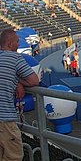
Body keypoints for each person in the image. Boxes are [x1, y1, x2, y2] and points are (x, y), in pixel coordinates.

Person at [0, 29, 39, 161]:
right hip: (4, 120)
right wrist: (18, 81)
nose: (18, 45)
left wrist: (15, 81)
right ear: (10, 44)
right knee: (14, 157)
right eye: (17, 42)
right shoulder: (15, 57)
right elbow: (34, 80)